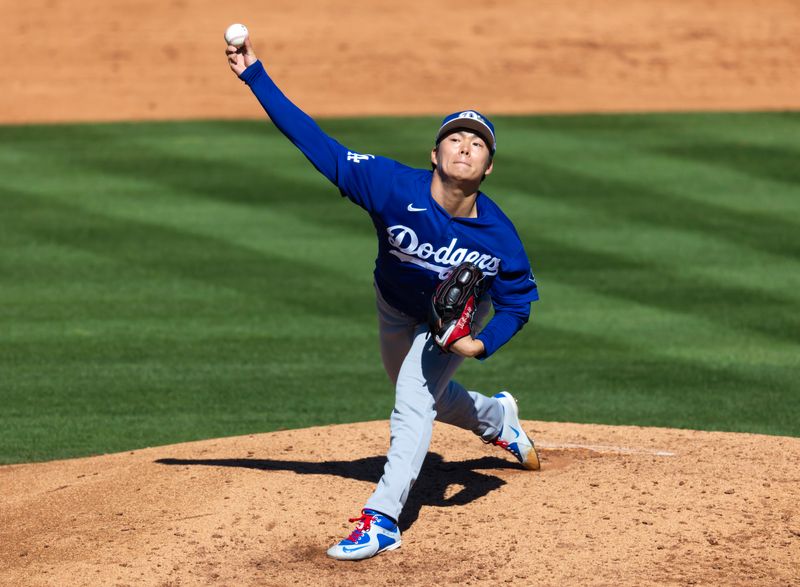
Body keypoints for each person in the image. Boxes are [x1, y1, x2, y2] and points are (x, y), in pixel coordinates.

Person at [226, 36, 541, 562]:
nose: (465, 145)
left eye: (477, 143)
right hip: (394, 308)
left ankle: (383, 519)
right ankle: (497, 420)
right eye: (455, 137)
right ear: (434, 155)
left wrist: (478, 345)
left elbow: (518, 304)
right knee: (422, 393)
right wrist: (255, 75)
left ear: (488, 169)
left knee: (414, 399)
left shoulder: (500, 237)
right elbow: (316, 143)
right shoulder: (389, 185)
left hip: (454, 324)